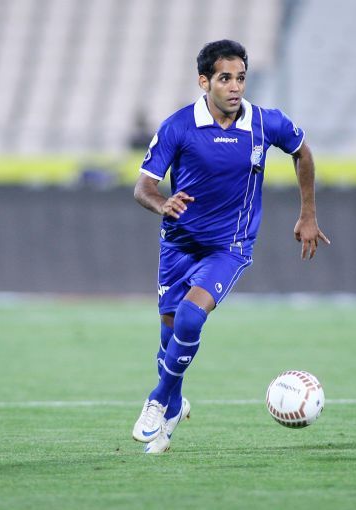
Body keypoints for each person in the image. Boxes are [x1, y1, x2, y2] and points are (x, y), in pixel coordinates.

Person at [131, 39, 330, 453]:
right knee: (169, 335)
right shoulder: (178, 126)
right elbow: (143, 187)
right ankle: (174, 403)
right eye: (225, 78)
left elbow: (302, 153)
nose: (235, 86)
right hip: (178, 245)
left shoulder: (264, 123)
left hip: (230, 246)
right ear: (204, 82)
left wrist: (308, 213)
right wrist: (162, 203)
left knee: (189, 319)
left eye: (240, 78)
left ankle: (157, 400)